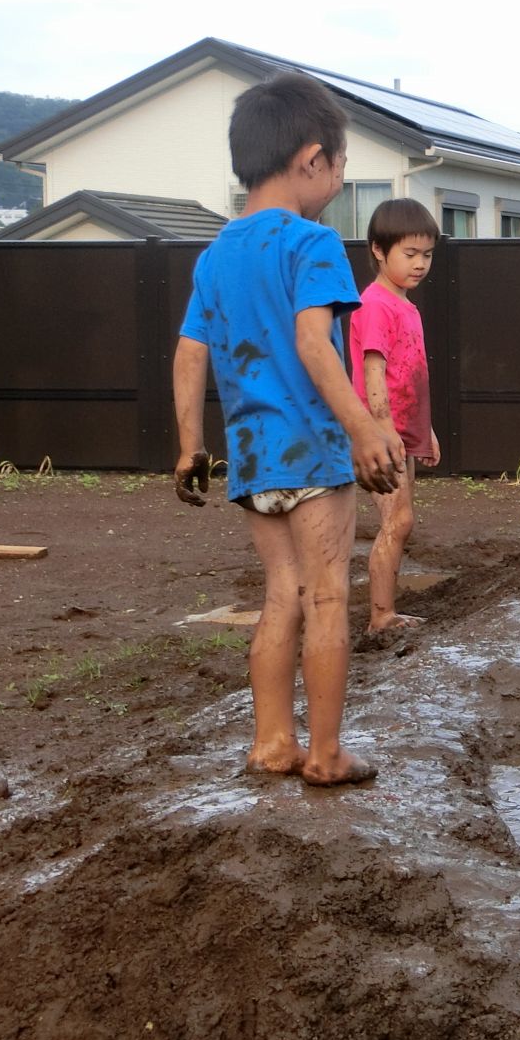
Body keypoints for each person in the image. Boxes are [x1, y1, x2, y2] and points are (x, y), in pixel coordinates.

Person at [170, 72, 403, 787]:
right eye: (338, 169)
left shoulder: (217, 254)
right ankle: (326, 754)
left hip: (251, 457)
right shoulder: (313, 244)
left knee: (280, 596)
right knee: (328, 597)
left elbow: (189, 354)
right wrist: (363, 426)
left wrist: (190, 448)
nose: (337, 182)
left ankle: (272, 741)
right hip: (314, 452)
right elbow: (311, 342)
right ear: (311, 159)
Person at [349, 198, 441, 637]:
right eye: (410, 254)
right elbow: (373, 369)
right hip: (380, 434)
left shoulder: (406, 305)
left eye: (427, 255)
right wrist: (383, 430)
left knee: (401, 519)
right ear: (379, 251)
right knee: (398, 521)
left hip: (402, 432)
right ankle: (380, 618)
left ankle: (386, 611)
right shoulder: (375, 304)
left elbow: (410, 371)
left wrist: (427, 430)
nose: (420, 264)